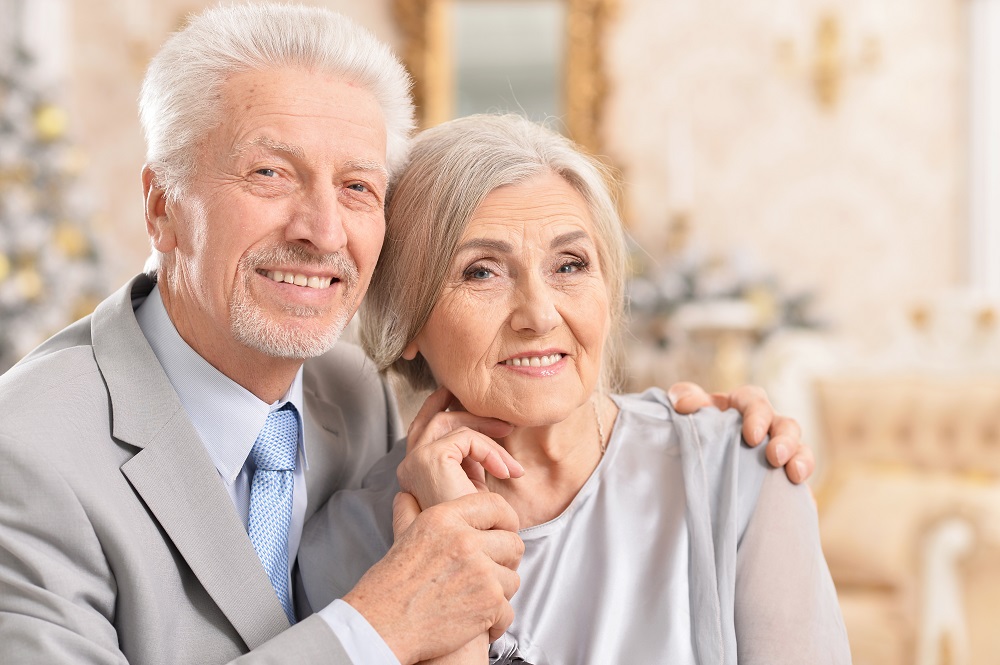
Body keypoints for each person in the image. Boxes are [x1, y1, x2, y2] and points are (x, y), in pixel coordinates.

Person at [0, 4, 812, 664]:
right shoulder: (29, 449)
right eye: (269, 173)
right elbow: (404, 611)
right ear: (161, 208)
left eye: (356, 185)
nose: (321, 230)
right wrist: (376, 624)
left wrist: (685, 434)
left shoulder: (348, 396)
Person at [298, 114, 851, 664]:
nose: (539, 314)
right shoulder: (347, 546)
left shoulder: (738, 470)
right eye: (481, 272)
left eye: (570, 264)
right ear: (405, 318)